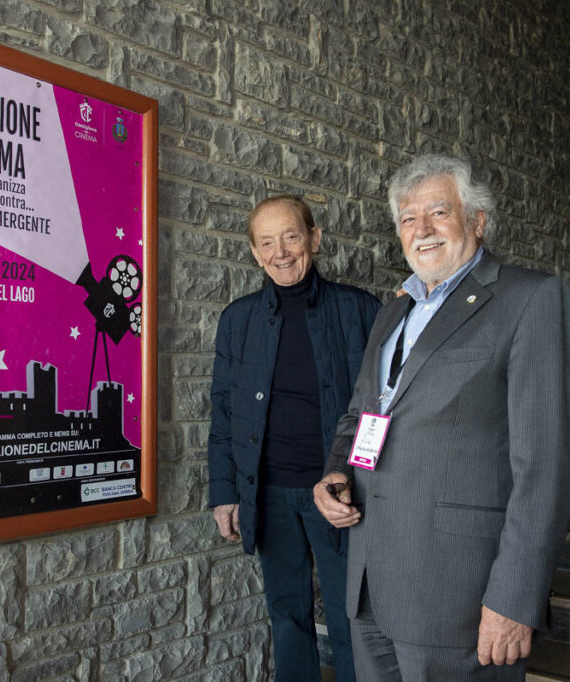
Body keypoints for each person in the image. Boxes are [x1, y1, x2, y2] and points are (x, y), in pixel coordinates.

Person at [313, 154, 570, 681]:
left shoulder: (530, 299)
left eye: (439, 212)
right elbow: (361, 415)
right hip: (371, 584)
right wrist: (336, 472)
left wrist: (515, 598)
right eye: (408, 218)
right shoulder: (393, 311)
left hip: (459, 596)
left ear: (477, 220)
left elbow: (549, 467)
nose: (422, 230)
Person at [208, 195, 381, 681]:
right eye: (267, 242)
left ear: (314, 238)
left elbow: (382, 409)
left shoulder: (360, 310)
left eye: (290, 237)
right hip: (269, 495)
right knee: (287, 617)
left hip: (342, 494)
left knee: (352, 620)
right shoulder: (237, 320)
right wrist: (224, 493)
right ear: (255, 252)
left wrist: (358, 478)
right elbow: (223, 412)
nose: (280, 252)